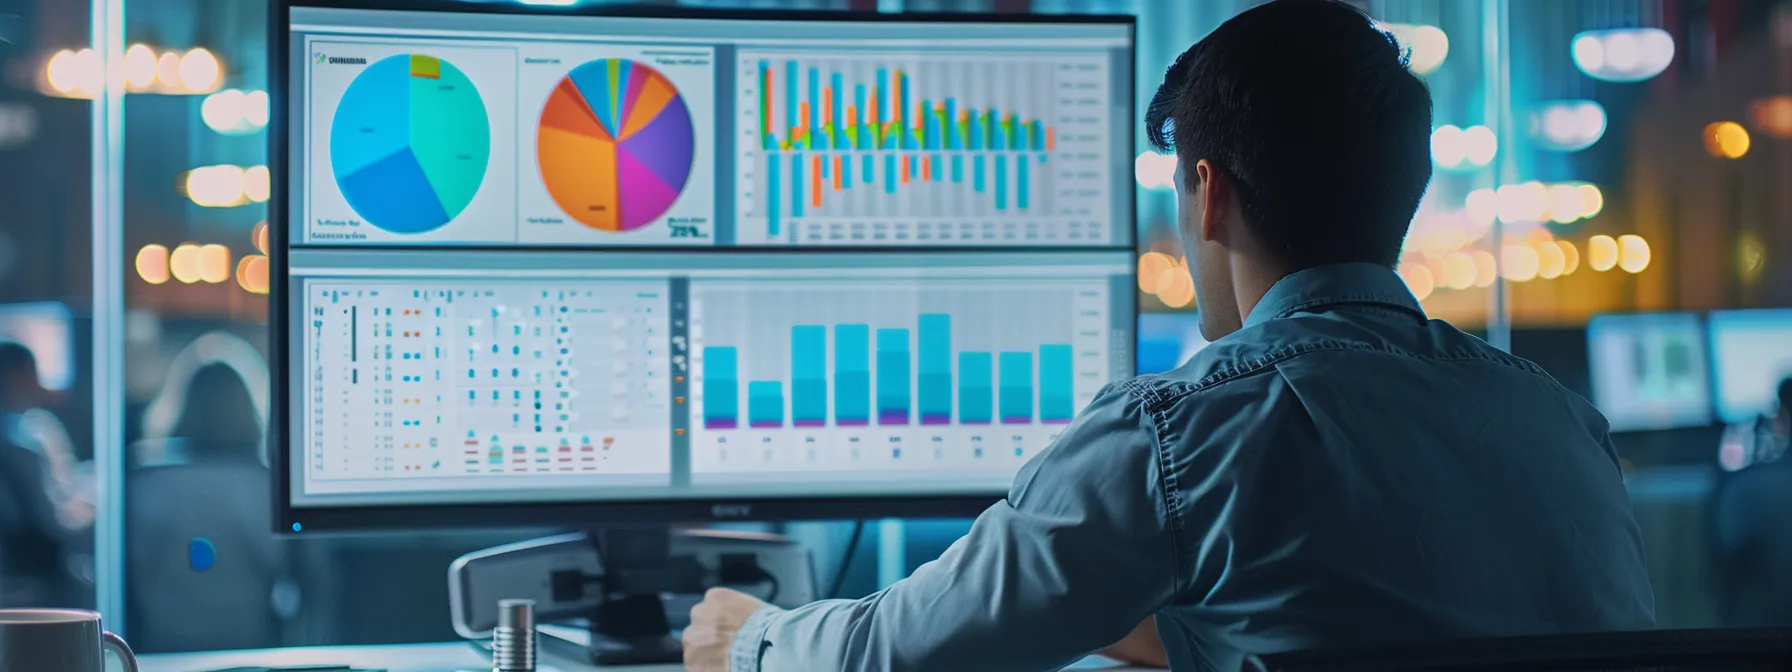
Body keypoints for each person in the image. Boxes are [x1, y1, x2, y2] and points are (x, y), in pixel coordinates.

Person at [683, 1, 1657, 669]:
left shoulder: (1185, 434)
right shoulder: (1561, 423)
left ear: (1208, 193)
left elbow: (894, 656)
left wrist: (748, 638)